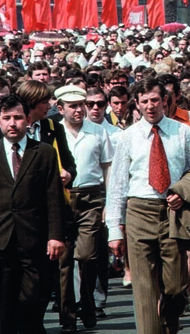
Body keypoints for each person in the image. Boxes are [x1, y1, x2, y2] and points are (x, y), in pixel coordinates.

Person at [106, 77, 190, 334]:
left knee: (175, 287)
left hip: (172, 212)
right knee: (145, 289)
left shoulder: (181, 131)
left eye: (155, 100)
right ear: (136, 105)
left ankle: (170, 320)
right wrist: (115, 230)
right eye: (144, 102)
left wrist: (183, 192)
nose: (150, 106)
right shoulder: (127, 137)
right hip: (139, 211)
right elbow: (117, 184)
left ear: (165, 101)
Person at [0, 94, 67, 334]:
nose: (13, 123)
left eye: (18, 118)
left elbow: (53, 197)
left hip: (34, 239)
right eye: (7, 118)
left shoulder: (43, 153)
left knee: (32, 300)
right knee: (0, 307)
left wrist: (56, 236)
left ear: (28, 119)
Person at [55, 85, 113, 330]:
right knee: (64, 262)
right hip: (62, 199)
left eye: (82, 105)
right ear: (61, 108)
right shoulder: (52, 132)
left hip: (91, 198)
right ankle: (68, 316)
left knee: (87, 256)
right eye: (73, 106)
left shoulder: (98, 132)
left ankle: (88, 304)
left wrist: (109, 203)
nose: (79, 110)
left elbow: (108, 167)